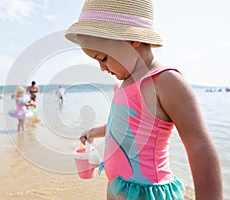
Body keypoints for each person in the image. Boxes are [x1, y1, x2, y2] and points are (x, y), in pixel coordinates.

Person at [65, 0, 223, 199]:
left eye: (103, 58)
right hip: (119, 188)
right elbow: (128, 124)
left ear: (132, 40)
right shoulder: (123, 84)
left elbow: (199, 145)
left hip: (148, 193)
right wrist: (96, 131)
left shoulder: (165, 82)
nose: (102, 68)